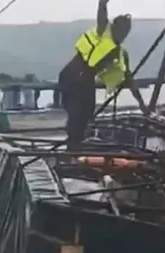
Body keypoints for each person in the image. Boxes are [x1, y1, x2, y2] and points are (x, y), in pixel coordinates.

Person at [58, 0, 148, 149]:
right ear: (115, 28)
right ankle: (71, 150)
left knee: (87, 115)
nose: (124, 34)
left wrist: (142, 104)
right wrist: (103, 3)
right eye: (122, 30)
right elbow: (101, 11)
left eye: (127, 31)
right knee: (75, 116)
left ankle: (77, 148)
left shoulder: (121, 54)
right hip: (72, 76)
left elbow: (129, 79)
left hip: (86, 82)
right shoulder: (103, 32)